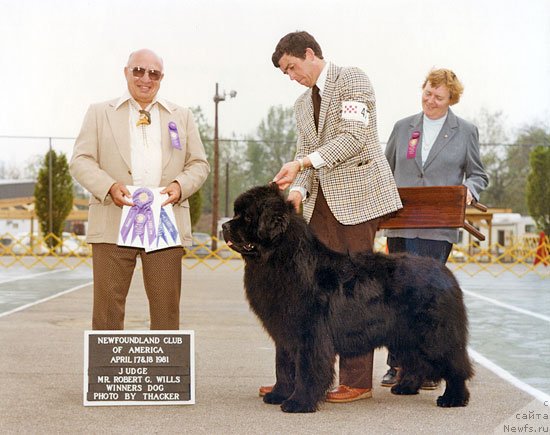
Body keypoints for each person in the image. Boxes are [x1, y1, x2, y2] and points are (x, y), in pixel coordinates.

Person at [266, 31, 402, 403]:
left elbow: (353, 138)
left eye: (293, 67)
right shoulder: (300, 104)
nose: (292, 76)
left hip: (358, 199)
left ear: (310, 54)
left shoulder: (352, 79)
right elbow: (305, 152)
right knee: (314, 293)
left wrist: (303, 162)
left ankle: (357, 382)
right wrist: (298, 189)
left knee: (355, 289)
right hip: (318, 204)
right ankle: (310, 378)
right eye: (286, 73)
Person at [70, 49, 209, 330]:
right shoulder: (99, 113)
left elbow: (199, 164)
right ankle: (106, 375)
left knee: (166, 313)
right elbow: (80, 160)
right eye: (138, 71)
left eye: (153, 73)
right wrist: (108, 186)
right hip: (112, 220)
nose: (146, 78)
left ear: (161, 78)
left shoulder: (181, 116)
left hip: (165, 224)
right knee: (107, 312)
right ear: (126, 72)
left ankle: (164, 374)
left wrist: (178, 187)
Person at [381, 68, 489, 387]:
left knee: (426, 298)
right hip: (400, 224)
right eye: (427, 92)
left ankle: (426, 368)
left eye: (439, 97)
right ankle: (397, 364)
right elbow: (386, 171)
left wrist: (470, 188)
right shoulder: (403, 127)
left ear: (451, 99)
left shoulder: (466, 131)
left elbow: (478, 174)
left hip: (437, 228)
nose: (431, 100)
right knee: (397, 297)